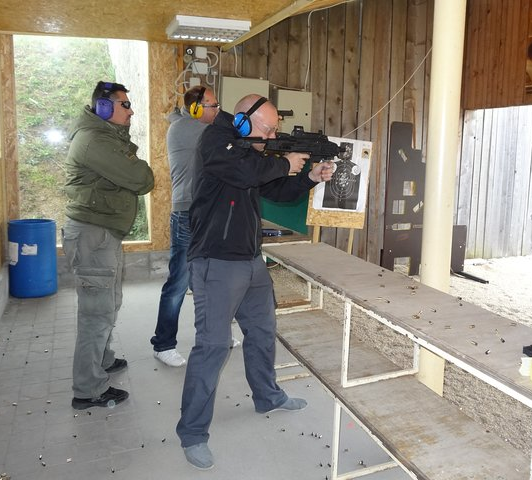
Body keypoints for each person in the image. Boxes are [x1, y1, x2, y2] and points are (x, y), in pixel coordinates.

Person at [176, 94, 334, 470]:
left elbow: (272, 188)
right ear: (243, 122)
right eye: (267, 128)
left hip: (250, 259)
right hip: (216, 260)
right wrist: (283, 161)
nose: (272, 135)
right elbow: (248, 172)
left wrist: (308, 177)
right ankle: (193, 432)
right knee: (212, 347)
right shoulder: (217, 140)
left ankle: (268, 396)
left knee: (263, 333)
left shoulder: (249, 150)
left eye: (275, 129)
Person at [62, 81, 155, 410]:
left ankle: (102, 360)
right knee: (95, 314)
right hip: (93, 234)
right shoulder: (95, 141)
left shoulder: (106, 138)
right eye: (125, 105)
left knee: (108, 303)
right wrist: (129, 159)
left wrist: (125, 151)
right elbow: (143, 179)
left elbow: (133, 172)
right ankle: (87, 389)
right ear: (104, 108)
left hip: (101, 233)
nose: (131, 111)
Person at [151, 85, 224, 368]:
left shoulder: (200, 128)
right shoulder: (187, 129)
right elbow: (232, 135)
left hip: (206, 213)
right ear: (195, 109)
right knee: (179, 283)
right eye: (212, 106)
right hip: (187, 214)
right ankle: (163, 344)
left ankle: (213, 334)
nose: (217, 111)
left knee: (211, 279)